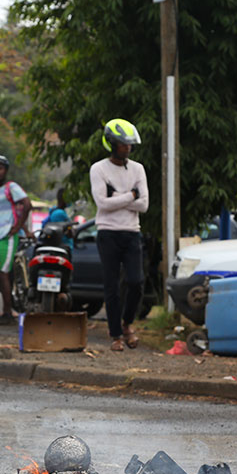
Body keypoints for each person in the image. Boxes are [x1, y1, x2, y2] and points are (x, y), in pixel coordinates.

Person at [89, 119, 149, 351]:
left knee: (136, 282)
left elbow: (144, 205)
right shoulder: (99, 169)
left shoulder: (138, 169)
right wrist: (131, 195)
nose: (128, 148)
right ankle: (115, 335)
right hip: (107, 232)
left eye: (130, 144)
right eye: (124, 144)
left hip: (131, 232)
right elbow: (102, 203)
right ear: (112, 144)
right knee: (111, 286)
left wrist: (119, 197)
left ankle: (127, 323)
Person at [0, 154, 33, 324]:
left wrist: (19, 227)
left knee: (4, 273)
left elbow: (27, 204)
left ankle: (7, 312)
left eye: (0, 168)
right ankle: (9, 308)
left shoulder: (11, 186)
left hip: (8, 235)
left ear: (5, 170)